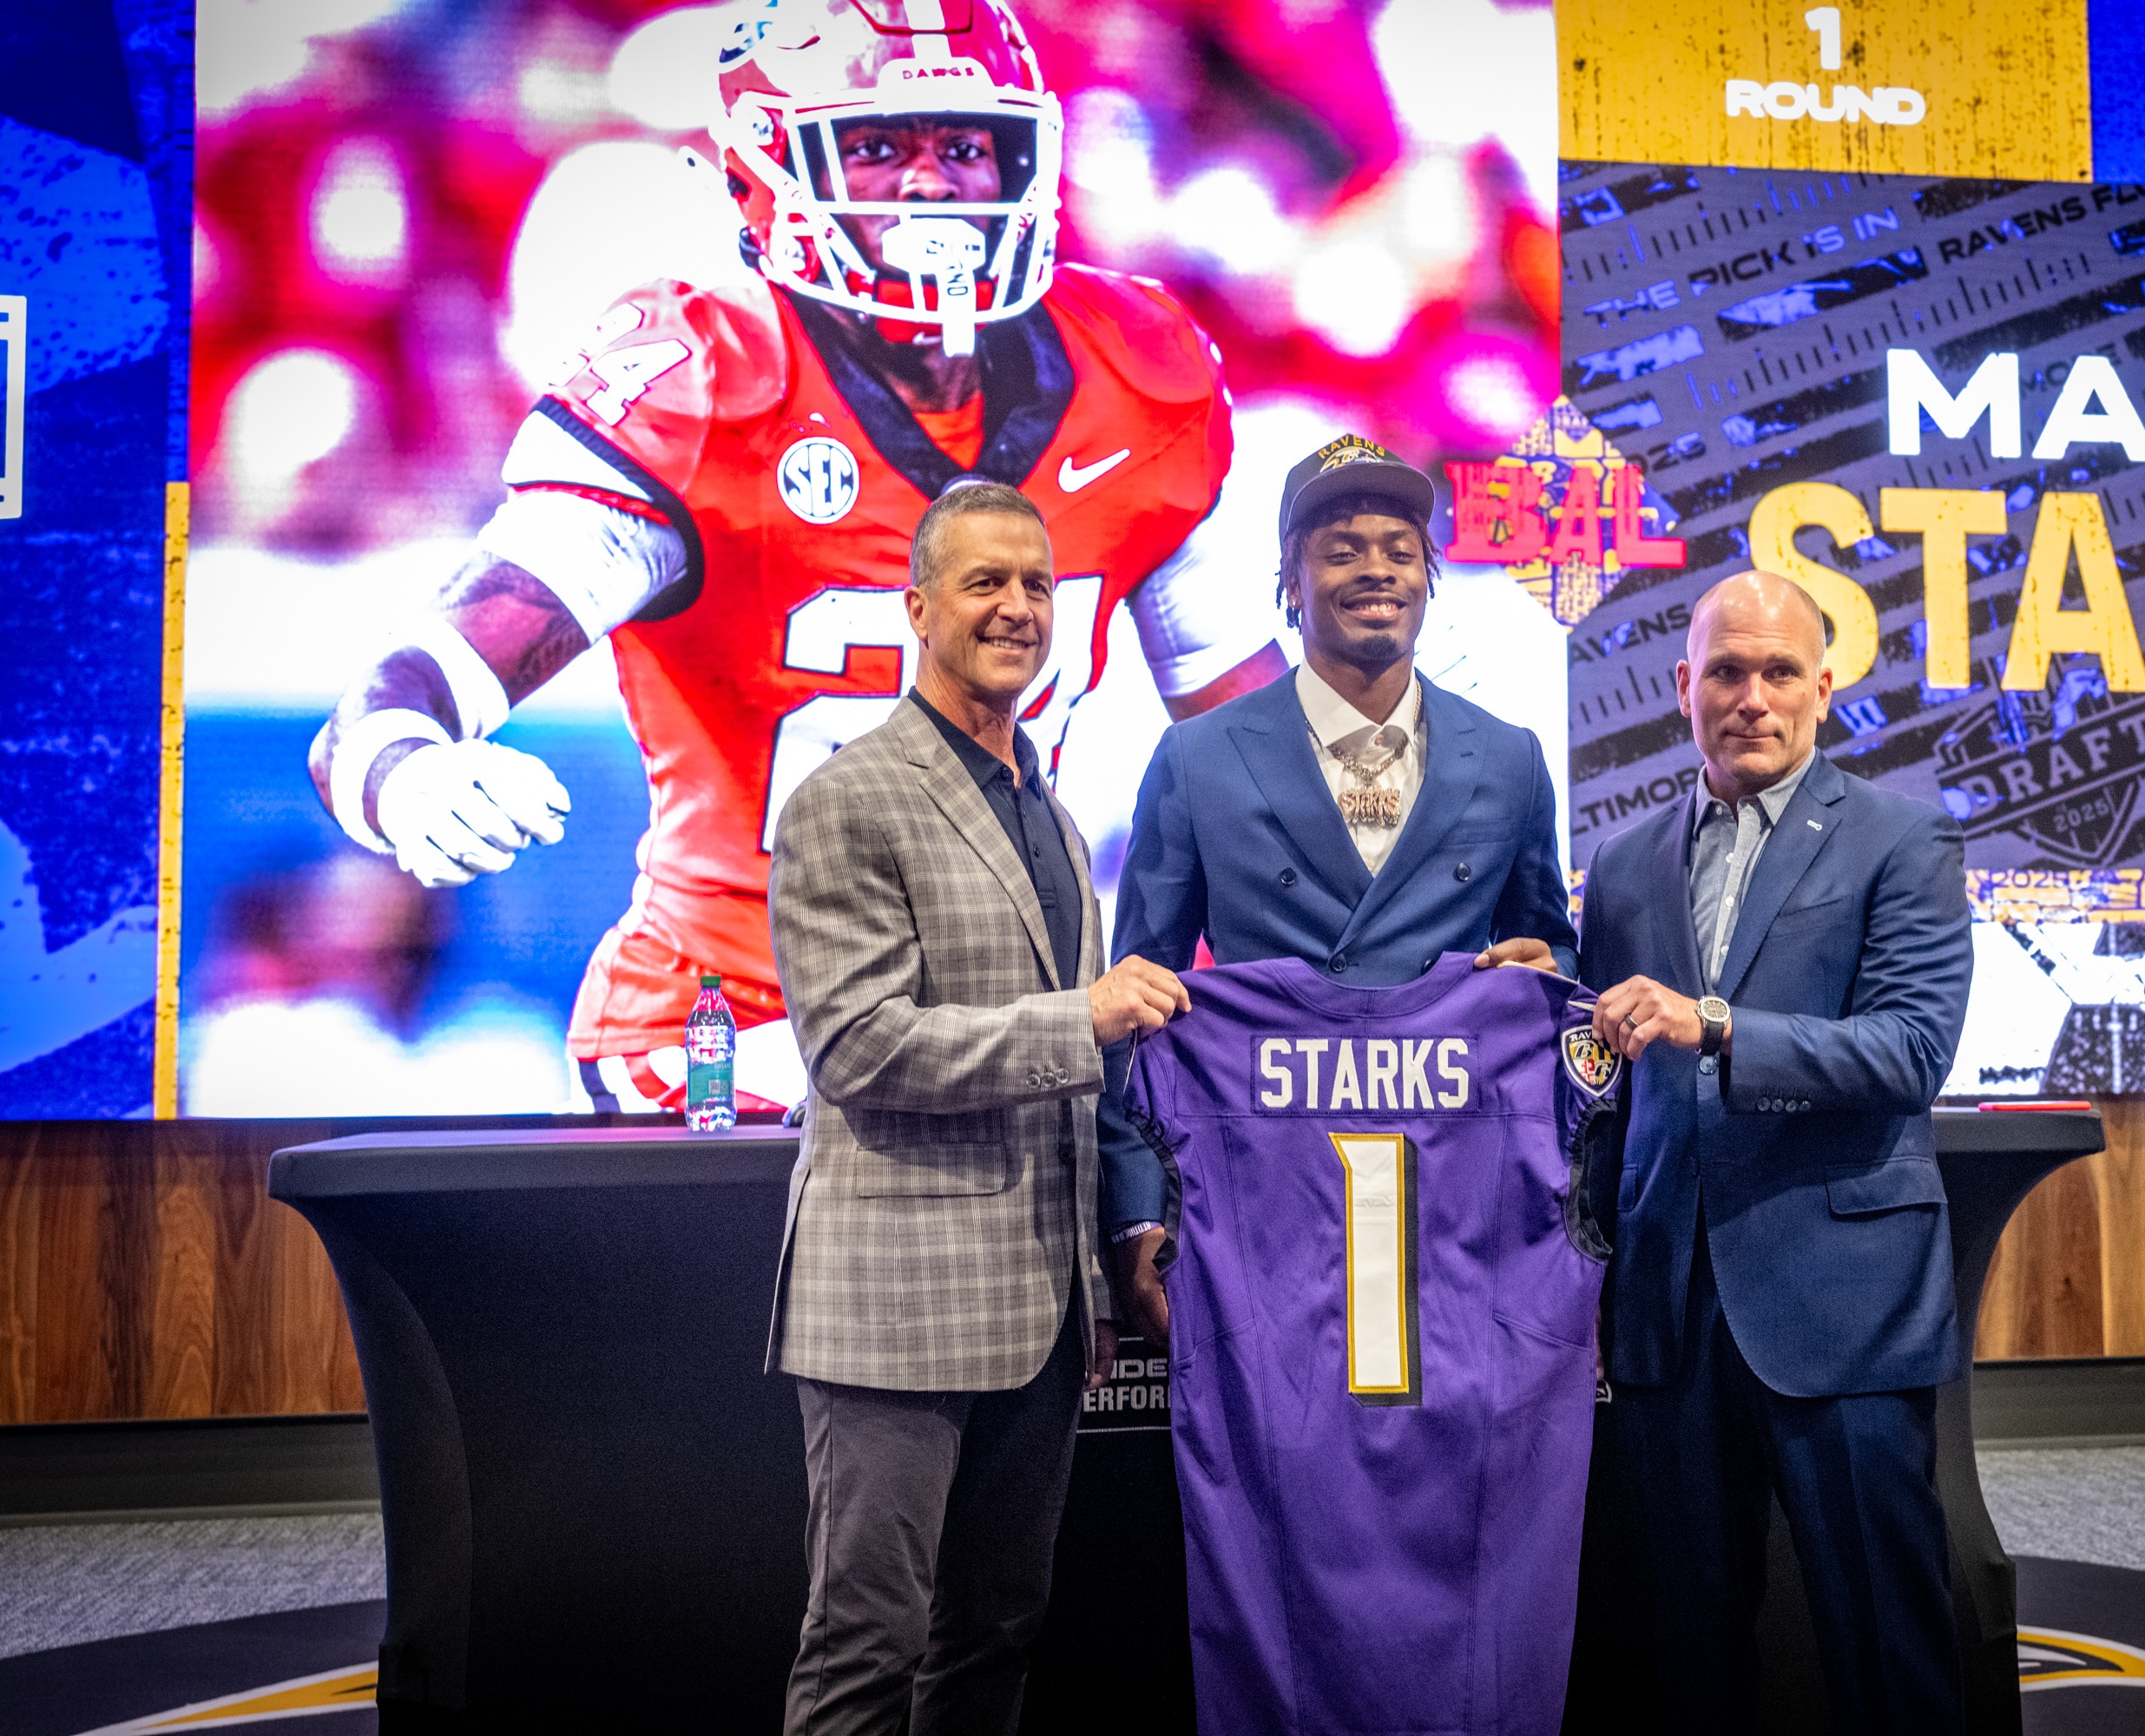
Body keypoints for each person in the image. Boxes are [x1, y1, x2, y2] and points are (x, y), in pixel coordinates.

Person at [304, 0, 1277, 1116]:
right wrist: (407, 769)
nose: (931, 185)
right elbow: (396, 697)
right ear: (766, 174)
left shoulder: (1140, 373)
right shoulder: (699, 391)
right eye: (876, 147)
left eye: (963, 145)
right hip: (740, 1028)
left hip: (1009, 1020)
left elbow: (1251, 762)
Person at [765, 481, 1188, 1735]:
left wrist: (1106, 1262)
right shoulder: (849, 796)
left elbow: (1080, 1085)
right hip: (894, 1302)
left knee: (996, 1631)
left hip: (1044, 1312)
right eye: (984, 583)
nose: (1016, 608)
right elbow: (857, 1047)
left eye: (1037, 584)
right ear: (918, 607)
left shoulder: (1048, 810)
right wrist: (1084, 1018)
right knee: (865, 1644)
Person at [1580, 569, 1974, 1733]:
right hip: (1665, 1310)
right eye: (1727, 670)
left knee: (1884, 1645)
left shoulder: (1903, 839)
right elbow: (1604, 1089)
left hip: (1839, 1306)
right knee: (1687, 1652)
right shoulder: (1621, 862)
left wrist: (1722, 1025)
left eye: (1780, 671)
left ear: (1825, 688)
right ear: (1682, 686)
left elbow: (1908, 1052)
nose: (1752, 697)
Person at [1096, 433, 1579, 1344]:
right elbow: (1134, 1007)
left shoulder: (1510, 755)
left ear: (1432, 578)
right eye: (1342, 548)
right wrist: (1134, 1212)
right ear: (1289, 577)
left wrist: (1552, 964)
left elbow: (1558, 956)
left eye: (1401, 550)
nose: (1377, 571)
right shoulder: (1197, 758)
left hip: (1457, 1200)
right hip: (1259, 1194)